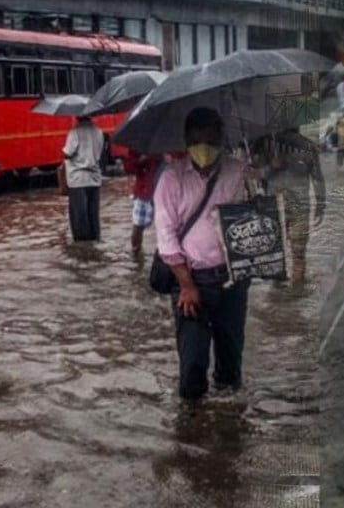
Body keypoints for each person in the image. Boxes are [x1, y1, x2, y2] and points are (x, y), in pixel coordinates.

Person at [154, 107, 252, 402]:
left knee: (231, 363)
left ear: (222, 139)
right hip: (192, 280)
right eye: (197, 141)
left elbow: (254, 221)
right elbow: (166, 237)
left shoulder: (239, 172)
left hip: (233, 280)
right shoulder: (171, 179)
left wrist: (262, 191)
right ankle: (192, 428)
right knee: (193, 367)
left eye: (210, 140)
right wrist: (186, 285)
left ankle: (227, 425)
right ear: (186, 142)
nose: (204, 149)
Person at [253, 127, 326, 283]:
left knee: (297, 250)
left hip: (298, 207)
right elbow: (254, 176)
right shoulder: (264, 146)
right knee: (276, 250)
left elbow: (317, 177)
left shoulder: (307, 147)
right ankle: (285, 287)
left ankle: (296, 288)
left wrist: (320, 204)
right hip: (275, 207)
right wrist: (271, 167)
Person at [62, 116, 104, 242]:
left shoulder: (74, 132)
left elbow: (67, 153)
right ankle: (95, 241)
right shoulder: (99, 132)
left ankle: (82, 249)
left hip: (77, 180)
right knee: (93, 215)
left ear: (77, 116)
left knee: (80, 217)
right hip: (94, 179)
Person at [124, 150, 162, 255]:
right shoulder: (138, 144)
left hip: (165, 190)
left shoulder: (168, 142)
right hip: (144, 191)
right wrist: (142, 159)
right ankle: (136, 253)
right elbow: (128, 168)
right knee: (138, 225)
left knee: (166, 226)